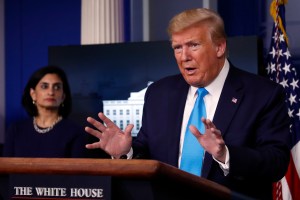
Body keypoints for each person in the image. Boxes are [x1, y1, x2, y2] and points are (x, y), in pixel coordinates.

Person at [84, 8, 290, 199]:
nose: (184, 57)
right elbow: (147, 153)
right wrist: (125, 153)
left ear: (219, 46)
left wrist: (224, 153)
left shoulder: (263, 94)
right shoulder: (159, 93)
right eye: (177, 48)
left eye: (193, 45)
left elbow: (276, 163)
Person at [3, 65, 87, 158]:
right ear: (33, 94)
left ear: (63, 96)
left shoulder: (75, 132)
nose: (51, 92)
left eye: (57, 87)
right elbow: (6, 169)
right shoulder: (15, 130)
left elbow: (78, 171)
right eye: (44, 86)